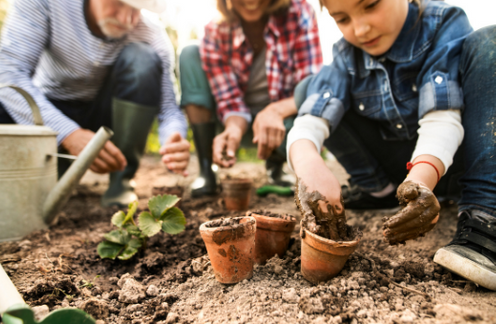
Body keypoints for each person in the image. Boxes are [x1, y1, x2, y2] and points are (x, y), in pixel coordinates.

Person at [288, 0, 496, 290]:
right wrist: (309, 166)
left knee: (491, 41)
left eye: (370, 5)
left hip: (457, 162)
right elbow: (310, 122)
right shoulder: (346, 55)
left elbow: (442, 119)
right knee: (307, 90)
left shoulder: (443, 24)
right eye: (342, 18)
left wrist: (420, 181)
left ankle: (485, 215)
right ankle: (380, 192)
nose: (360, 29)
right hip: (401, 170)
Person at [0, 0, 190, 207]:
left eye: (136, 9)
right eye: (118, 3)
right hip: (50, 111)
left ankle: (121, 180)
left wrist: (173, 138)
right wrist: (68, 134)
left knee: (142, 59)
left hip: (106, 118)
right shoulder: (45, 3)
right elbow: (8, 73)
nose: (127, 19)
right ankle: (47, 169)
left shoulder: (151, 34)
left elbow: (169, 109)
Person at [179, 0, 323, 197]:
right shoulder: (215, 30)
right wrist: (234, 128)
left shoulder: (299, 13)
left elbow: (310, 88)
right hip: (238, 124)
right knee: (190, 53)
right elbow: (229, 100)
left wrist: (275, 112)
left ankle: (276, 164)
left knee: (314, 116)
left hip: (283, 123)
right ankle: (206, 167)